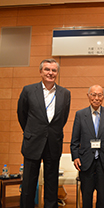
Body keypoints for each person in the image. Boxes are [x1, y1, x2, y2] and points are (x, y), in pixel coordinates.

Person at [17, 58, 71, 208]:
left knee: (52, 183)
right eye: (47, 69)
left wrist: (50, 132)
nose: (50, 73)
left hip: (53, 142)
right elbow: (22, 114)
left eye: (54, 70)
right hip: (33, 141)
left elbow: (63, 118)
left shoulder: (65, 93)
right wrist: (32, 132)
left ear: (57, 73)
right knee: (28, 183)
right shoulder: (28, 90)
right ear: (40, 71)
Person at [70, 85, 104, 208]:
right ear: (88, 96)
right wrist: (75, 157)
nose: (96, 98)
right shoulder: (80, 114)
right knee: (86, 196)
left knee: (102, 197)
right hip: (85, 162)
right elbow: (75, 140)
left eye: (99, 95)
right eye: (93, 95)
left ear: (103, 97)